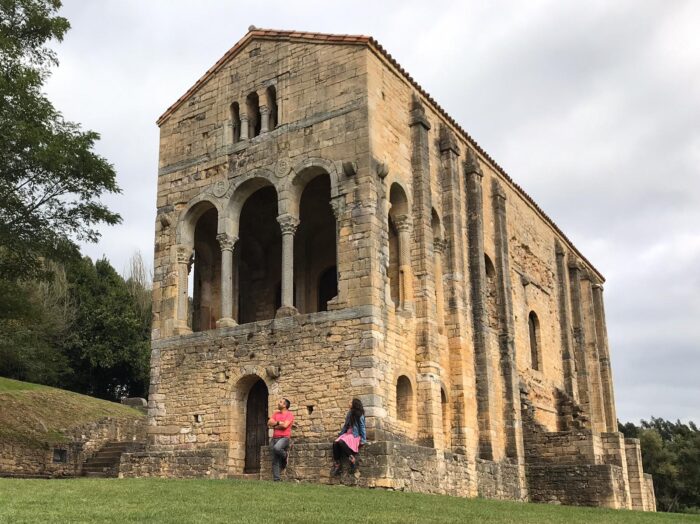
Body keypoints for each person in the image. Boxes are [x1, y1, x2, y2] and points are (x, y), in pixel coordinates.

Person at [331, 398, 366, 476]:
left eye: (350, 402)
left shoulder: (360, 414)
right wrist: (341, 434)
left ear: (354, 404)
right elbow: (346, 426)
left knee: (341, 442)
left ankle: (352, 459)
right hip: (347, 434)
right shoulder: (349, 413)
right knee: (335, 443)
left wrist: (363, 439)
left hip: (355, 435)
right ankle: (337, 465)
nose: (348, 403)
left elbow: (362, 426)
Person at [268, 398, 294, 481]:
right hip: (274, 438)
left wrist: (275, 425)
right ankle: (276, 479)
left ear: (285, 405)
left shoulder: (289, 415)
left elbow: (285, 426)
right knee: (275, 459)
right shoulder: (276, 413)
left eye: (281, 402)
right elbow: (269, 423)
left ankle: (285, 455)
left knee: (277, 448)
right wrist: (279, 423)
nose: (278, 403)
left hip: (284, 438)